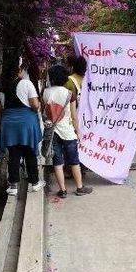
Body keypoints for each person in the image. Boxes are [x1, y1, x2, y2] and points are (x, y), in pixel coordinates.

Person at [0, 60, 43, 196]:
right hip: (27, 122)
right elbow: (34, 105)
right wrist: (38, 102)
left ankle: (13, 186)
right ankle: (35, 183)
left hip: (8, 123)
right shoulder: (27, 83)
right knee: (30, 152)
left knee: (13, 153)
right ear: (19, 70)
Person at [42, 65, 93, 198]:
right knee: (74, 160)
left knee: (57, 161)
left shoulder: (45, 92)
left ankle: (63, 190)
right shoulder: (69, 93)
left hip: (53, 132)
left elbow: (46, 113)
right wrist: (78, 131)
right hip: (68, 132)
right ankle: (79, 187)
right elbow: (74, 116)